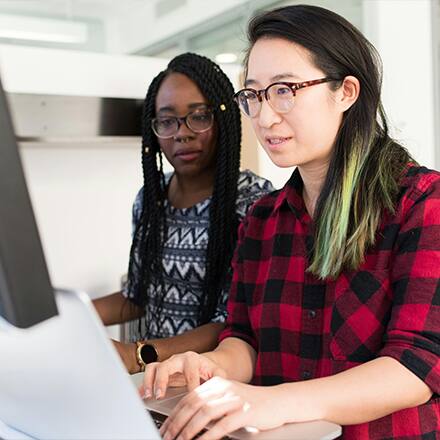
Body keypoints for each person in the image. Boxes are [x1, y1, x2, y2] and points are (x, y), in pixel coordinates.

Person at [141, 5, 440, 440]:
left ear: (346, 92)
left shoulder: (422, 202)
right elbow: (244, 338)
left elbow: (416, 364)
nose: (264, 117)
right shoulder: (263, 218)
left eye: (285, 90)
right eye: (254, 95)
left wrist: (271, 401)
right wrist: (213, 365)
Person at [93, 53, 273, 374]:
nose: (182, 133)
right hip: (157, 384)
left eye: (199, 116)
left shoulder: (254, 202)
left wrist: (139, 355)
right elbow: (138, 295)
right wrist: (68, 315)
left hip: (218, 384)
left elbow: (233, 321)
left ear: (223, 120)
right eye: (167, 120)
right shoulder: (151, 199)